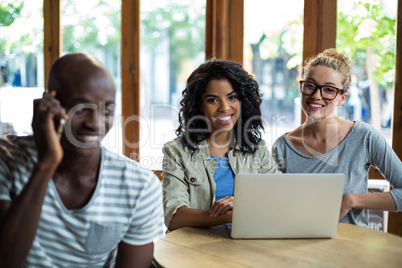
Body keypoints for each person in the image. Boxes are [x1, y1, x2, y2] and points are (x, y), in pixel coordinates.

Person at [0, 53, 165, 267]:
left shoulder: (140, 186)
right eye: (81, 109)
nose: (95, 124)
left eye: (107, 110)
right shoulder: (7, 159)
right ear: (48, 103)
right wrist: (46, 165)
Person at [272, 48, 402, 227]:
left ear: (342, 98)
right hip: (299, 246)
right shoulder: (283, 146)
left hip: (352, 249)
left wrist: (351, 201)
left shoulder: (365, 137)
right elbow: (274, 205)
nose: (316, 95)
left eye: (329, 90)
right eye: (310, 85)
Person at [162, 58, 280, 230]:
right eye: (213, 100)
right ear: (200, 105)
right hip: (193, 249)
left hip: (246, 244)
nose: (225, 108)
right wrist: (228, 215)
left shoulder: (258, 149)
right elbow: (174, 217)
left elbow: (279, 198)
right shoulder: (176, 151)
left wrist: (243, 206)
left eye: (232, 97)